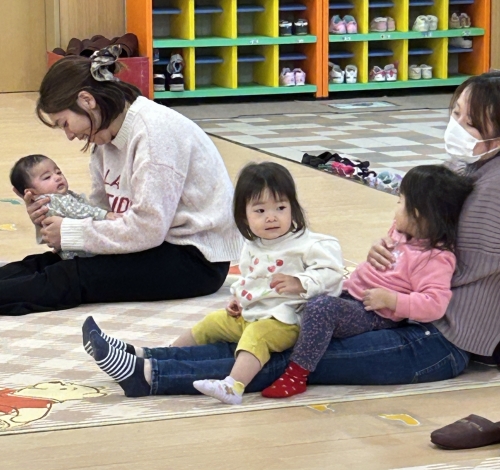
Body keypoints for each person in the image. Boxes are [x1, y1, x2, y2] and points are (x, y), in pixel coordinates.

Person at [79, 71, 500, 397]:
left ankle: (151, 373)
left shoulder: (493, 186)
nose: (456, 125)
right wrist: (389, 252)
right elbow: (418, 233)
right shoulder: (466, 167)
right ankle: (148, 356)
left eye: (470, 121)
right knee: (270, 328)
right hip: (394, 310)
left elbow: (456, 267)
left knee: (294, 354)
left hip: (438, 336)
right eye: (456, 114)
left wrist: (403, 280)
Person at [0, 45, 242, 315]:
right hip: (154, 243)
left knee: (70, 277)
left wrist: (71, 233)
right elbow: (100, 214)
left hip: (195, 259)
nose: (69, 135)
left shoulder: (153, 133)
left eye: (65, 123)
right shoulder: (104, 139)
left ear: (87, 100)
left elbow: (148, 229)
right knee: (44, 264)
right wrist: (52, 217)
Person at [84, 162, 344, 400]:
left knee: (257, 336)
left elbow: (333, 274)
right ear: (244, 216)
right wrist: (238, 299)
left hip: (284, 321)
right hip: (251, 314)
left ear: (293, 208)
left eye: (281, 208)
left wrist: (301, 282)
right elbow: (251, 281)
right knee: (211, 323)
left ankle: (233, 386)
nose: (271, 217)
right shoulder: (252, 245)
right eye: (260, 210)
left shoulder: (310, 244)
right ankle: (157, 355)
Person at [261, 165, 473, 398]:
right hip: (350, 294)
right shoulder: (400, 232)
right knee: (304, 292)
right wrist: (376, 247)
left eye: (400, 201)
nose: (396, 208)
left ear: (417, 214)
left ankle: (296, 375)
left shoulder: (436, 258)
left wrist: (392, 300)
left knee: (322, 308)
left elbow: (434, 304)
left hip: (374, 314)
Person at [10, 154, 120, 260]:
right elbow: (79, 210)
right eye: (47, 177)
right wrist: (104, 214)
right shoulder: (54, 200)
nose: (57, 177)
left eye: (58, 172)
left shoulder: (53, 199)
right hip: (84, 255)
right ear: (32, 192)